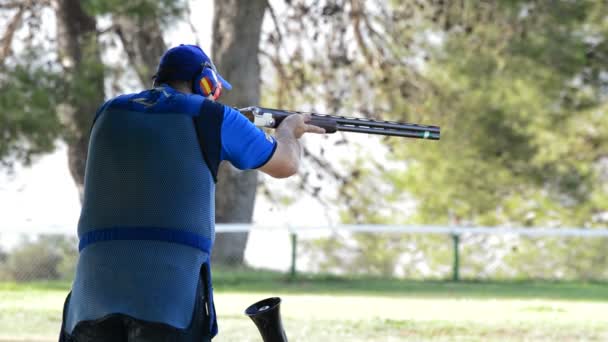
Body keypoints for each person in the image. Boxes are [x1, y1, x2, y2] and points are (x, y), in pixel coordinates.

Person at [58, 44, 325, 342]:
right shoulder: (213, 116)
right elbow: (286, 164)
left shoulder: (108, 112)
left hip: (91, 292)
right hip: (170, 290)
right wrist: (288, 130)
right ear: (205, 82)